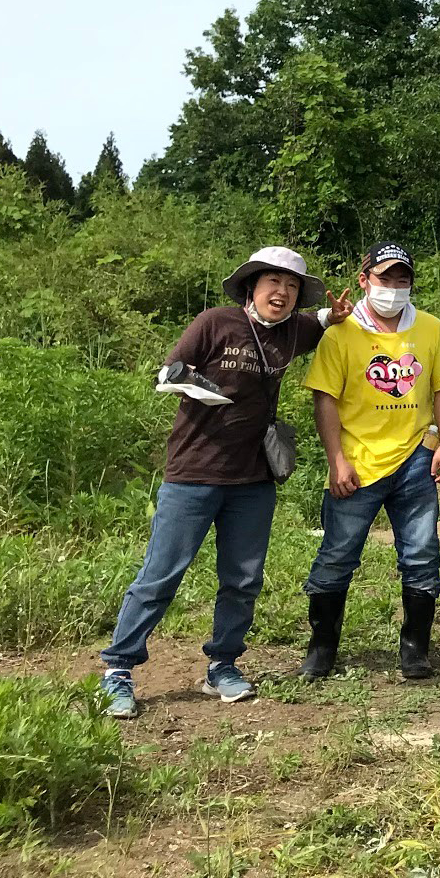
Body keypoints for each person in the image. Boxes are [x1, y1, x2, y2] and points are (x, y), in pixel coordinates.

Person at [99, 248, 341, 719]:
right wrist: (197, 386)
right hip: (193, 473)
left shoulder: (294, 331)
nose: (283, 293)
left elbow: (325, 319)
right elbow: (169, 371)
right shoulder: (215, 322)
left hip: (254, 479)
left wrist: (336, 314)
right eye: (274, 282)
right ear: (252, 286)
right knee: (160, 575)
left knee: (243, 579)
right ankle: (119, 669)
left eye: (292, 286)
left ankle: (223, 664)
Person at [300, 243, 440, 682]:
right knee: (337, 554)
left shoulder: (431, 329)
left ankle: (415, 648)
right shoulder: (341, 334)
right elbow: (325, 400)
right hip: (357, 463)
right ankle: (321, 648)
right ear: (364, 280)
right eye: (384, 278)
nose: (393, 288)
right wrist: (336, 460)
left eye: (402, 279)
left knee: (422, 554)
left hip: (415, 457)